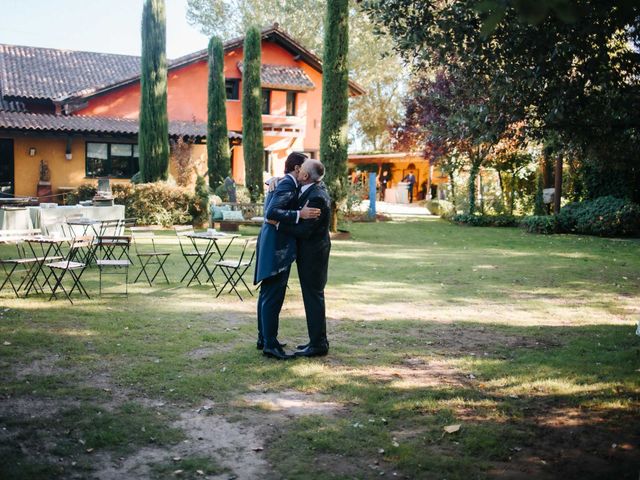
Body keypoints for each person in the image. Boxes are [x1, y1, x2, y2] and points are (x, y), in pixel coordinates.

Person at [254, 152, 320, 360]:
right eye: (305, 167)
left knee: (267, 294)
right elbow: (271, 213)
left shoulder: (284, 182)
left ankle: (264, 338)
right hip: (277, 246)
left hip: (272, 243)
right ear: (297, 168)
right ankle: (270, 345)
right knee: (273, 296)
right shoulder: (287, 184)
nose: (306, 172)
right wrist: (299, 215)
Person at [268, 159, 331, 357]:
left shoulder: (317, 197)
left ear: (305, 176)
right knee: (311, 296)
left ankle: (319, 344)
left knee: (313, 296)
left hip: (314, 254)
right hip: (309, 253)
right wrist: (275, 179)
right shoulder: (311, 189)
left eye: (301, 169)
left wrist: (278, 225)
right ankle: (316, 341)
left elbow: (305, 230)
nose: (297, 171)